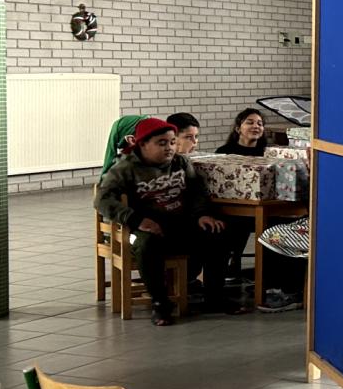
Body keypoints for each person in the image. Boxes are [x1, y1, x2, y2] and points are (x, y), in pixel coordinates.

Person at [94, 117, 237, 326]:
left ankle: (213, 297)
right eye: (161, 143)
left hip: (178, 224)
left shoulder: (181, 162)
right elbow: (102, 200)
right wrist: (137, 220)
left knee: (218, 233)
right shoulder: (125, 168)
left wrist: (202, 215)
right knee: (147, 245)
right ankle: (160, 303)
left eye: (171, 142)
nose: (169, 148)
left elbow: (196, 192)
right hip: (144, 229)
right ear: (143, 144)